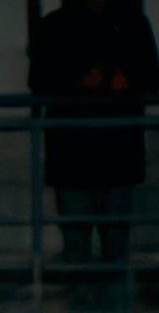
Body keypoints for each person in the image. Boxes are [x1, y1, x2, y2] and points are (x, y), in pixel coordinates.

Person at [29, 0, 159, 263]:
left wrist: (128, 80)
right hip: (92, 144)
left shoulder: (58, 24)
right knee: (101, 241)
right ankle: (100, 295)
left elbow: (150, 73)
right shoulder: (130, 22)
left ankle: (92, 294)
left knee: (105, 241)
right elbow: (39, 78)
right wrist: (80, 80)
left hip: (90, 143)